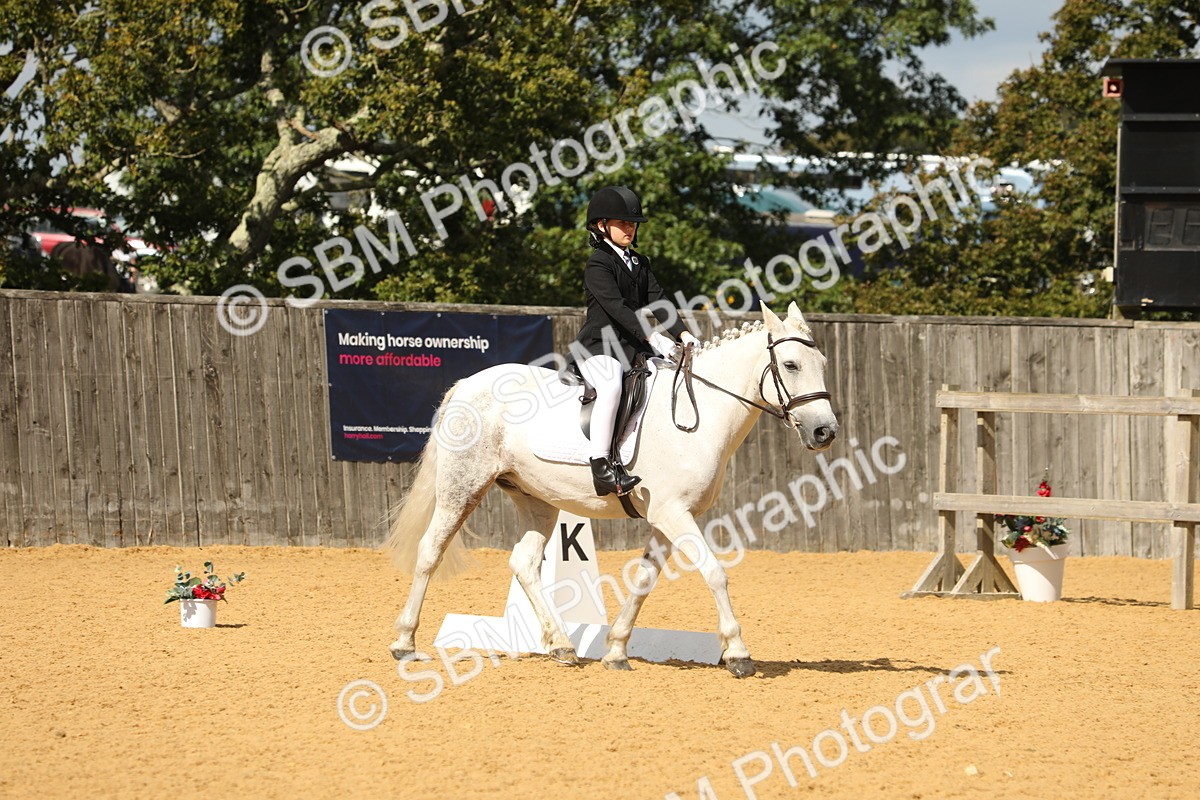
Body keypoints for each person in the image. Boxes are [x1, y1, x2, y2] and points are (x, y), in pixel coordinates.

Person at [572, 186, 699, 497]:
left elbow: (659, 300)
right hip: (600, 347)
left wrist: (682, 333)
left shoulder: (639, 262)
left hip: (634, 347)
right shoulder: (598, 263)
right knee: (612, 385)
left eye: (632, 224)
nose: (630, 228)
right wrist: (654, 337)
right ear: (601, 226)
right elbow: (618, 308)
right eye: (623, 223)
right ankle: (601, 465)